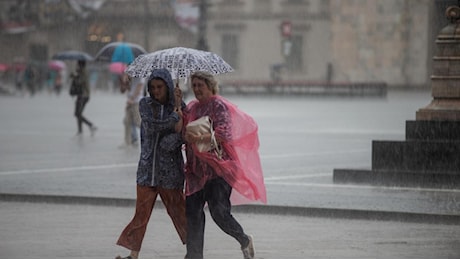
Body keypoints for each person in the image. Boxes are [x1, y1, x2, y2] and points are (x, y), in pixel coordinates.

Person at [182, 71, 267, 259]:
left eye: (200, 85)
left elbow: (224, 134)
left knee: (219, 213)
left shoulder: (218, 106)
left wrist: (197, 136)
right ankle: (194, 256)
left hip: (218, 171)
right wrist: (176, 107)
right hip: (196, 171)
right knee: (193, 215)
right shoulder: (191, 108)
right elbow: (182, 132)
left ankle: (243, 239)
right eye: (193, 85)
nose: (196, 89)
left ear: (210, 85)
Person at [115, 68, 187, 259]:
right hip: (147, 170)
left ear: (168, 87)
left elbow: (183, 134)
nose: (156, 91)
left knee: (179, 213)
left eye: (160, 87)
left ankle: (194, 250)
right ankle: (133, 254)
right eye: (153, 87)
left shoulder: (181, 106)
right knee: (141, 214)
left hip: (170, 171)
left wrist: (179, 108)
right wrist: (174, 117)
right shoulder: (145, 104)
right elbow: (152, 125)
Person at [119, 73, 145, 148]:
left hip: (137, 102)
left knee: (138, 122)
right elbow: (123, 90)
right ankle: (127, 142)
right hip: (130, 101)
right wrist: (125, 81)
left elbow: (139, 88)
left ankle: (149, 136)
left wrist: (132, 99)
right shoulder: (130, 76)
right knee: (127, 121)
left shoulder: (141, 76)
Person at [71, 59, 97, 136]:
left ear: (80, 65)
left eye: (77, 64)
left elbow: (79, 82)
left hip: (84, 95)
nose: (76, 66)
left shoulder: (83, 72)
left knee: (77, 113)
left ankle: (91, 125)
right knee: (79, 113)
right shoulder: (81, 72)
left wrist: (74, 76)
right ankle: (80, 130)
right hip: (82, 95)